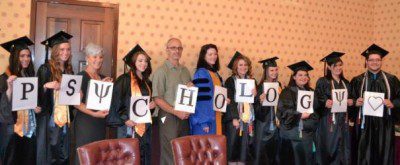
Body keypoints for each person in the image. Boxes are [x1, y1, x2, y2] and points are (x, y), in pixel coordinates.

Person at [350, 44, 400, 165]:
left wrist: (393, 103)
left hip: (385, 124)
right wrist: (355, 102)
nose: (374, 62)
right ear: (366, 62)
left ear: (381, 61)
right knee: (363, 154)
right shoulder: (357, 80)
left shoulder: (392, 79)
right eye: (371, 60)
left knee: (384, 154)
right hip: (364, 125)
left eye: (378, 60)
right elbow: (350, 100)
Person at [107, 44, 155, 165]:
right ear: (133, 62)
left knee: (143, 154)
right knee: (128, 156)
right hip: (128, 126)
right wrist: (125, 119)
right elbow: (116, 101)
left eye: (145, 61)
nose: (143, 63)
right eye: (140, 60)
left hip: (144, 126)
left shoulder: (147, 82)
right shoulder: (124, 79)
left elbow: (146, 103)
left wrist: (152, 105)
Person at [0, 36, 40, 165]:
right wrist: (9, 88)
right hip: (12, 130)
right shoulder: (3, 78)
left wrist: (34, 107)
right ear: (15, 57)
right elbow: (3, 110)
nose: (26, 59)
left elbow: (28, 101)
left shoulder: (29, 76)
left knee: (28, 158)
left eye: (28, 56)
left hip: (28, 129)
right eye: (22, 56)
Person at [151, 38, 191, 164]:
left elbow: (187, 94)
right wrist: (176, 112)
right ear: (167, 50)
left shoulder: (185, 71)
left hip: (184, 115)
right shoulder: (161, 71)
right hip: (168, 116)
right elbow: (157, 99)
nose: (177, 51)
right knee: (170, 151)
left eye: (179, 48)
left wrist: (192, 88)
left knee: (183, 150)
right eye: (173, 48)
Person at [36, 31, 73, 164]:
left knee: (64, 154)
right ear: (55, 51)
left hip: (65, 119)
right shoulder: (45, 69)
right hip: (50, 119)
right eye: (62, 49)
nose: (66, 52)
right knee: (51, 154)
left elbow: (71, 97)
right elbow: (36, 97)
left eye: (68, 49)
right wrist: (46, 85)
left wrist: (79, 94)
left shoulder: (69, 70)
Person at [73, 43, 111, 164]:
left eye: (100, 57)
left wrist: (107, 87)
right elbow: (76, 103)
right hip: (86, 123)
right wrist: (94, 114)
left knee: (97, 157)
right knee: (84, 156)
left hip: (100, 123)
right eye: (94, 57)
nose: (98, 60)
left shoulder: (103, 78)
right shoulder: (81, 77)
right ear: (87, 58)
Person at [277, 61, 319, 165]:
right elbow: (284, 111)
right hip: (292, 136)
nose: (303, 77)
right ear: (294, 77)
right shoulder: (287, 92)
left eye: (305, 75)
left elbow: (316, 111)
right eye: (300, 75)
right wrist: (299, 115)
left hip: (308, 135)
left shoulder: (311, 92)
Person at [315, 52, 352, 165]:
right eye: (335, 65)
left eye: (340, 65)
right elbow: (316, 98)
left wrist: (352, 101)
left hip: (343, 121)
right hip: (328, 121)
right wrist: (324, 102)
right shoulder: (323, 81)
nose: (338, 68)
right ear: (329, 67)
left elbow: (351, 99)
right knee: (329, 147)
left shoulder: (346, 83)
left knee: (344, 148)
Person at [223, 52, 256, 164]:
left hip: (248, 120)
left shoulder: (252, 81)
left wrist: (255, 95)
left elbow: (254, 103)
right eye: (240, 65)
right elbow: (229, 100)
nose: (243, 67)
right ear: (236, 67)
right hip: (235, 120)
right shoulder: (230, 81)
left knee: (244, 148)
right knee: (232, 146)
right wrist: (234, 118)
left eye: (245, 65)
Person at [253, 57, 281, 165]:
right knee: (262, 156)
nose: (274, 72)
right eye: (271, 70)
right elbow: (257, 112)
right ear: (266, 71)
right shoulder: (260, 87)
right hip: (263, 126)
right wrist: (260, 101)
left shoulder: (279, 86)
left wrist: (281, 96)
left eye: (276, 69)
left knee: (275, 156)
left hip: (276, 126)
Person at [190, 44, 223, 135]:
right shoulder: (201, 73)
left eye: (215, 54)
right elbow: (201, 99)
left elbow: (213, 95)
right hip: (205, 121)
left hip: (215, 117)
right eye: (210, 54)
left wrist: (223, 100)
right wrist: (203, 122)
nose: (214, 56)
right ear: (203, 56)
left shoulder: (215, 74)